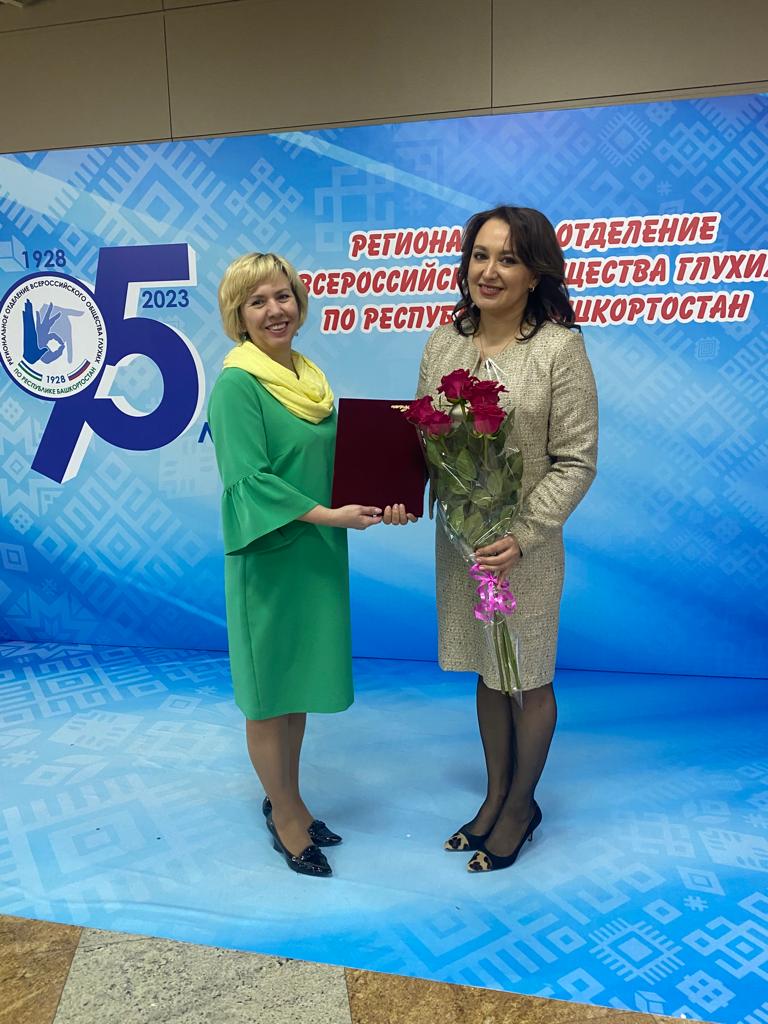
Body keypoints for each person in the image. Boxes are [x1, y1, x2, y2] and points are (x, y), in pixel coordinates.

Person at [386, 206, 598, 872]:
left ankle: (520, 808)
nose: (490, 271)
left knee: (527, 675)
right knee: (489, 669)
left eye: (508, 259)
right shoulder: (443, 344)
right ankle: (493, 796)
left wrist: (526, 534)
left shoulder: (559, 349)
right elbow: (425, 437)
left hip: (522, 553)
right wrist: (399, 490)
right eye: (480, 255)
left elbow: (576, 460)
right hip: (465, 547)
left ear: (536, 273)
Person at [208, 252, 382, 878]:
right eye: (257, 302)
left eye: (282, 296)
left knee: (297, 687)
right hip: (270, 557)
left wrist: (382, 493)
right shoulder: (238, 385)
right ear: (239, 316)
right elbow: (248, 482)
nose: (274, 310)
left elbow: (332, 463)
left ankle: (293, 798)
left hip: (315, 552)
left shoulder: (309, 379)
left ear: (300, 304)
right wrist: (332, 516)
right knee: (267, 696)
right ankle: (283, 815)